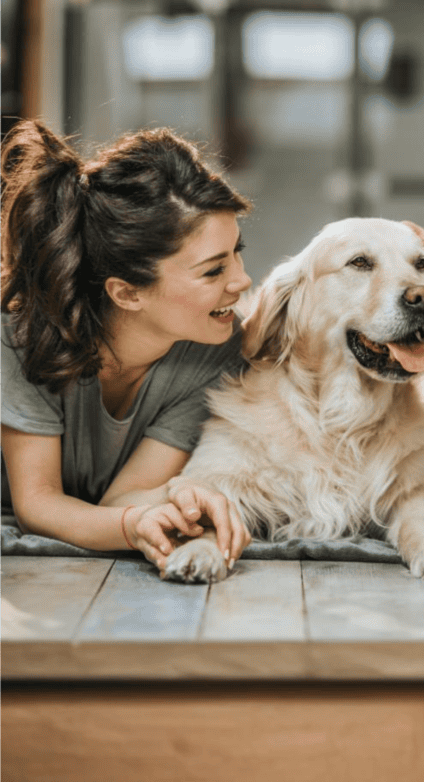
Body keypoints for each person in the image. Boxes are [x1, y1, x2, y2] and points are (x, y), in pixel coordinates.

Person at [0, 120, 253, 571]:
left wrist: (179, 495)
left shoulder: (218, 351)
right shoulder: (19, 338)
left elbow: (123, 497)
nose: (242, 279)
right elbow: (36, 505)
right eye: (213, 270)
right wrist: (133, 523)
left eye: (237, 251)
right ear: (128, 293)